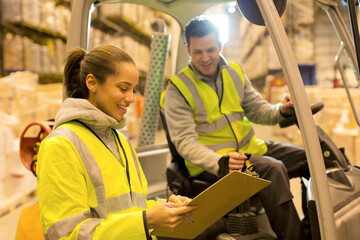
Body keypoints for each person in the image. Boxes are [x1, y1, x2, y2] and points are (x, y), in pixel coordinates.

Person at [162, 16, 310, 240]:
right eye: (198, 52)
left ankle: (313, 226)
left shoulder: (234, 73)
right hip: (214, 163)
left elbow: (259, 111)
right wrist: (218, 162)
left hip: (248, 151)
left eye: (211, 49)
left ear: (221, 45)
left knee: (311, 158)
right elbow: (185, 142)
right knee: (273, 169)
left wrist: (282, 110)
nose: (205, 58)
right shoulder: (178, 89)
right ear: (188, 49)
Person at [36, 45, 196, 240]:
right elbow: (67, 235)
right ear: (92, 83)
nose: (131, 98)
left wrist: (164, 208)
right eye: (123, 88)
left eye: (133, 90)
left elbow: (130, 207)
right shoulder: (61, 145)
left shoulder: (119, 140)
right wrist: (146, 220)